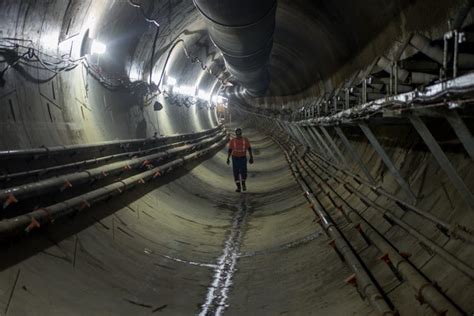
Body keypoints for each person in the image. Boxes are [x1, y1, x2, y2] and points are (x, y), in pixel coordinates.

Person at [227, 128, 254, 192]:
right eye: (237, 134)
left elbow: (249, 148)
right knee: (236, 172)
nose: (238, 135)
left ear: (241, 134)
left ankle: (243, 183)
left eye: (239, 134)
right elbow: (230, 150)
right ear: (236, 134)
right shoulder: (233, 141)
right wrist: (228, 158)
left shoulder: (245, 140)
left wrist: (251, 157)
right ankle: (238, 187)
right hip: (235, 158)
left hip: (243, 158)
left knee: (243, 171)